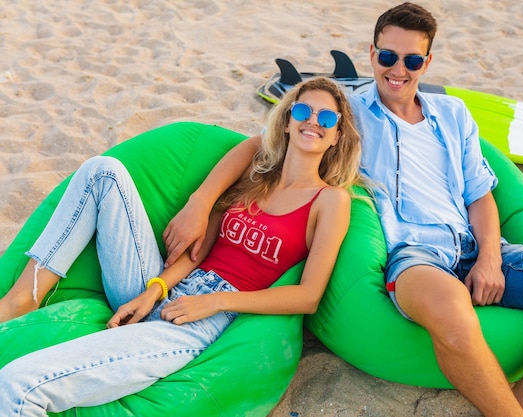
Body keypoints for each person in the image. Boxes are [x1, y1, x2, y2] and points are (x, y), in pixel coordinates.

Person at [160, 3, 523, 417]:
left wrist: (489, 258)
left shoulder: (454, 114)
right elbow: (258, 145)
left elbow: (480, 195)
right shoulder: (350, 114)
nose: (397, 70)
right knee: (450, 306)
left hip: (476, 245)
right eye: (387, 56)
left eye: (411, 59)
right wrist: (201, 204)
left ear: (428, 61)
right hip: (414, 258)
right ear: (372, 54)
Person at [0, 76, 362, 415]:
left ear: (336, 135)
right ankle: (25, 295)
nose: (312, 121)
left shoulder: (331, 201)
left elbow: (308, 295)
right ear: (286, 121)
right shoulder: (258, 174)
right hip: (164, 287)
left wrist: (216, 301)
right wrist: (153, 290)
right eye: (302, 111)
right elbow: (200, 251)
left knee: (18, 385)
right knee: (102, 170)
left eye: (326, 117)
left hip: (201, 321)